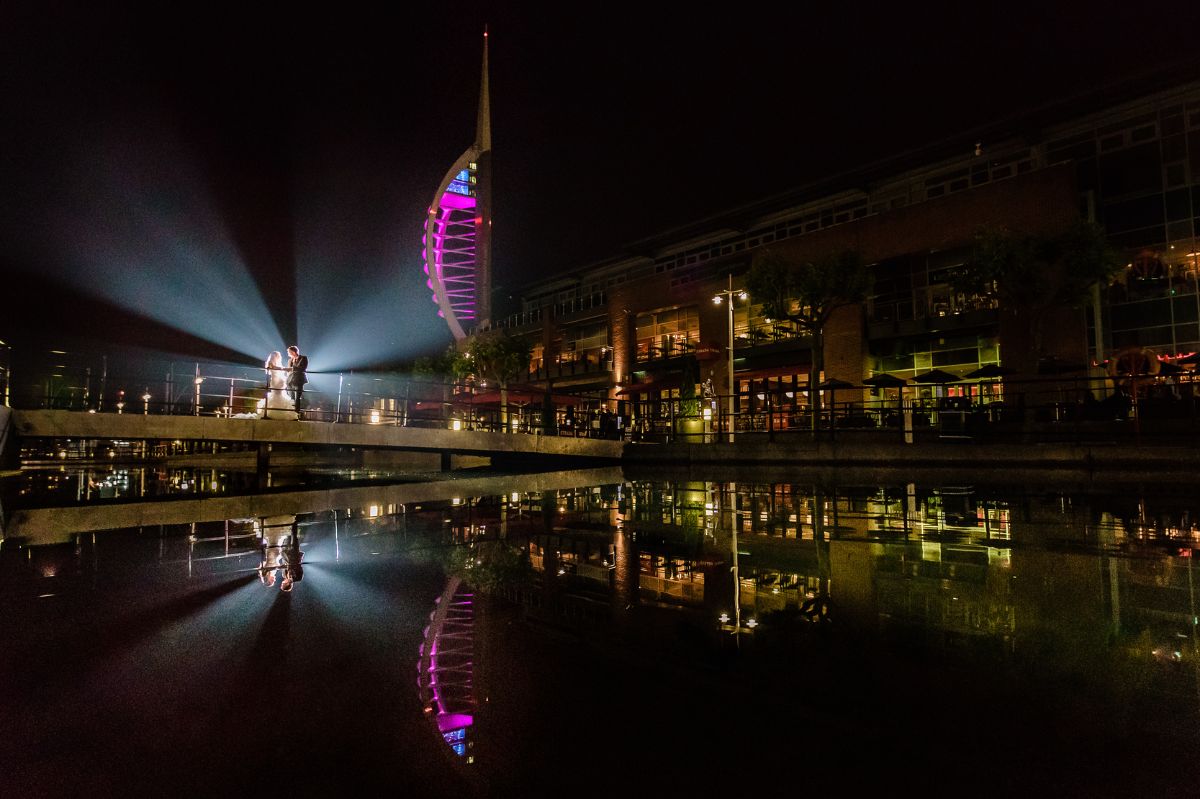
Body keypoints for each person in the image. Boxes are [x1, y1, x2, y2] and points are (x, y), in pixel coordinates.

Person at [262, 351, 298, 420]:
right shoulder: (270, 362)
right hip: (275, 380)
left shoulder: (277, 362)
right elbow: (274, 368)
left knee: (280, 394)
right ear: (274, 356)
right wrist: (285, 369)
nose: (278, 357)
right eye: (277, 356)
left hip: (279, 380)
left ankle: (282, 411)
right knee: (276, 394)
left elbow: (279, 368)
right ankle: (274, 412)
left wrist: (286, 369)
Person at [286, 345, 309, 416]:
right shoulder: (290, 360)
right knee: (291, 398)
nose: (288, 354)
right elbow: (288, 370)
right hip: (290, 381)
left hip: (299, 381)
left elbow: (303, 368)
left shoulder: (303, 358)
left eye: (289, 352)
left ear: (294, 352)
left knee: (297, 398)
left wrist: (292, 369)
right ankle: (291, 413)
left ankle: (296, 414)